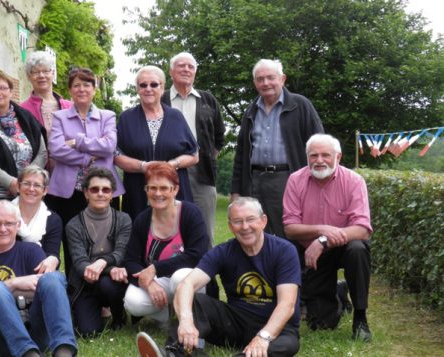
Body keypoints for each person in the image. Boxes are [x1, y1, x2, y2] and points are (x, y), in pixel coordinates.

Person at [137, 197, 301, 357]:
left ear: (263, 221)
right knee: (195, 301)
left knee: (288, 345)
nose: (245, 227)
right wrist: (186, 320)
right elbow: (187, 284)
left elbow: (287, 304)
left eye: (251, 219)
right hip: (236, 323)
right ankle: (175, 351)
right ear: (230, 226)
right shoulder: (223, 252)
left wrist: (263, 337)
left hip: (276, 329)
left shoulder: (284, 251)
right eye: (237, 221)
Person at [283, 134, 373, 342]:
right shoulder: (295, 180)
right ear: (307, 157)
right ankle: (339, 293)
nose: (319, 160)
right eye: (314, 155)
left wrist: (324, 240)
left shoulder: (354, 181)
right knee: (321, 324)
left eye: (325, 155)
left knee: (358, 249)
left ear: (338, 157)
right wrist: (322, 230)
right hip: (311, 253)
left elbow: (362, 229)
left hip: (343, 248)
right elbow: (290, 228)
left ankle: (360, 318)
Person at [0, 200, 77, 357]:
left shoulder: (32, 251)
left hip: (35, 332)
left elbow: (47, 291)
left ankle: (64, 350)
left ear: (18, 225)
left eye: (8, 223)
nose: (3, 229)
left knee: (53, 278)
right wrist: (13, 284)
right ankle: (27, 353)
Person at [230, 59, 323, 239]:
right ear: (255, 83)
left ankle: (295, 267)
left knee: (289, 231)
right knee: (254, 231)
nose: (265, 83)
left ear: (282, 79)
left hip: (288, 179)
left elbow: (319, 143)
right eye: (260, 79)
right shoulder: (251, 111)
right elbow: (241, 154)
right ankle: (260, 268)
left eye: (270, 78)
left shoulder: (300, 105)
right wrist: (235, 191)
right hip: (254, 180)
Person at [47, 67, 125, 273]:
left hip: (103, 189)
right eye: (76, 85)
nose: (82, 89)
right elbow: (55, 149)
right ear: (70, 90)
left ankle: (103, 293)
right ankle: (75, 294)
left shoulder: (107, 116)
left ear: (94, 89)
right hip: (68, 191)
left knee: (104, 239)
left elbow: (109, 146)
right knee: (72, 242)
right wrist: (87, 156)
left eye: (86, 85)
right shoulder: (60, 117)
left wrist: (76, 141)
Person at [123, 162, 209, 327]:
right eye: (152, 188)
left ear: (175, 189)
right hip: (161, 281)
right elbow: (130, 260)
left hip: (191, 278)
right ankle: (164, 315)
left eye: (164, 188)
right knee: (132, 302)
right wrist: (149, 283)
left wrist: (155, 268)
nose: (158, 193)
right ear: (146, 190)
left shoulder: (190, 213)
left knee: (179, 278)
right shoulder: (142, 219)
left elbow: (196, 255)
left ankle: (189, 318)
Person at [115, 65, 198, 221]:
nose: (148, 89)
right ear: (137, 89)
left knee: (176, 235)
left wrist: (172, 164)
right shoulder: (127, 118)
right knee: (140, 235)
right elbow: (117, 155)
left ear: (162, 87)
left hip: (173, 188)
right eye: (143, 85)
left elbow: (194, 155)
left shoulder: (176, 117)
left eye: (154, 84)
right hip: (138, 191)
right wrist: (144, 166)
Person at [162, 52, 225, 246]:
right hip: (167, 172)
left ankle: (206, 275)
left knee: (204, 229)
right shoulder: (161, 99)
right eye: (181, 65)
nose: (186, 69)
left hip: (203, 173)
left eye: (191, 66)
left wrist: (203, 158)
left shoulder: (208, 100)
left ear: (195, 72)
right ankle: (171, 272)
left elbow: (219, 139)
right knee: (170, 225)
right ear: (171, 71)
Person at [0, 165, 62, 286]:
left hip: (35, 275)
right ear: (18, 186)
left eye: (37, 185)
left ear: (45, 191)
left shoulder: (53, 220)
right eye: (26, 183)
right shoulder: (2, 212)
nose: (31, 189)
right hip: (4, 273)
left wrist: (53, 258)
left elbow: (52, 252)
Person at [66, 167, 132, 336]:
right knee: (89, 332)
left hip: (112, 281)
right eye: (95, 189)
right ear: (86, 193)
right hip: (85, 283)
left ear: (112, 194)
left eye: (106, 190)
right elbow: (80, 263)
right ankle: (93, 310)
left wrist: (102, 263)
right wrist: (107, 267)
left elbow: (121, 254)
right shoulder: (73, 225)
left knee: (108, 285)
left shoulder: (124, 220)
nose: (100, 194)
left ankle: (118, 315)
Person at [0, 70, 47, 205]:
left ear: (11, 92)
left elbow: (42, 152)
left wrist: (26, 181)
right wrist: (10, 182)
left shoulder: (27, 118)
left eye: (3, 88)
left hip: (28, 192)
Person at [20, 51, 73, 140]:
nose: (41, 75)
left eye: (45, 71)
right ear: (29, 77)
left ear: (53, 74)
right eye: (36, 72)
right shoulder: (22, 110)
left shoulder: (70, 107)